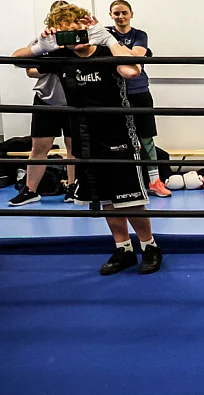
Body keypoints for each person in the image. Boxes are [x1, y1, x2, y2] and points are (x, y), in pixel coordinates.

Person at [12, 4, 163, 275]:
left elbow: (132, 71)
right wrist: (41, 45)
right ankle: (123, 249)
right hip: (85, 137)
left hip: (118, 134)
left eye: (78, 32)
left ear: (88, 28)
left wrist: (107, 39)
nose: (75, 40)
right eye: (67, 35)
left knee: (130, 199)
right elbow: (19, 61)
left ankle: (149, 246)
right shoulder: (61, 58)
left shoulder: (106, 51)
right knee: (105, 198)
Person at [8, 0, 77, 207]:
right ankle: (30, 190)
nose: (63, 20)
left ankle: (73, 188)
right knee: (39, 147)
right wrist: (47, 67)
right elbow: (28, 68)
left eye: (67, 17)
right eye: (59, 15)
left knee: (73, 147)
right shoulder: (43, 39)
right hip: (46, 98)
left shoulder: (79, 40)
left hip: (73, 100)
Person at [107, 0, 171, 197]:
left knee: (146, 138)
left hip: (139, 91)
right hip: (114, 94)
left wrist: (114, 48)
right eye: (116, 13)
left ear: (131, 14)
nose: (120, 17)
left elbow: (136, 55)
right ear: (111, 15)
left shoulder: (139, 35)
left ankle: (154, 181)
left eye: (124, 12)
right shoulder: (105, 33)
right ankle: (123, 183)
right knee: (117, 140)